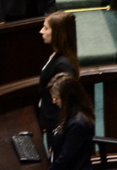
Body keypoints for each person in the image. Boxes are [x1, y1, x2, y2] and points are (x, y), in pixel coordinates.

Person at [38, 11, 80, 143]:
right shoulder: (56, 55)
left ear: (57, 32)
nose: (41, 31)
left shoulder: (63, 65)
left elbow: (66, 102)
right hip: (51, 120)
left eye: (46, 28)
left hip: (58, 124)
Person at [46, 72, 95, 170]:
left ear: (68, 98)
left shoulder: (77, 123)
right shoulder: (70, 113)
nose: (54, 102)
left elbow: (65, 158)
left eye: (56, 98)